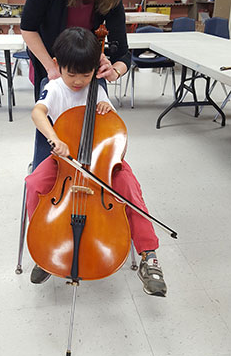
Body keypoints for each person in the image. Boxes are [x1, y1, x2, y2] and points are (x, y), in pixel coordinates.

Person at [26, 27, 167, 297]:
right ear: (58, 66)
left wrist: (107, 112)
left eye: (86, 74)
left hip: (101, 164)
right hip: (64, 163)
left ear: (95, 69)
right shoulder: (54, 88)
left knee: (128, 186)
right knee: (33, 183)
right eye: (72, 74)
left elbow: (112, 136)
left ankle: (149, 256)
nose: (79, 81)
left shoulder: (97, 91)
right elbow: (38, 112)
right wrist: (55, 139)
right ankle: (43, 243)